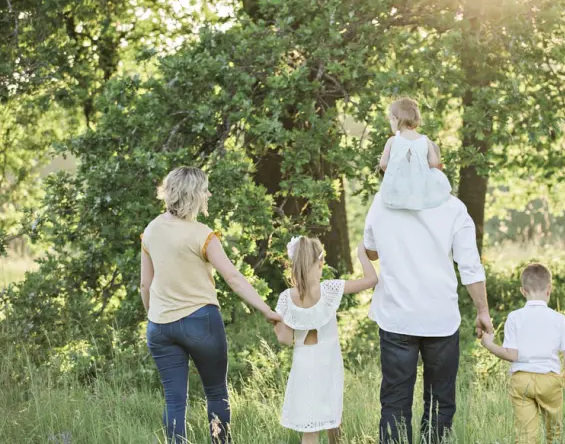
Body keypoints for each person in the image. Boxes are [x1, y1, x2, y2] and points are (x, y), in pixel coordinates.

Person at [363, 140, 492, 444]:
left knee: (395, 402)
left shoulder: (382, 202)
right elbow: (470, 268)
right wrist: (482, 311)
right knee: (439, 401)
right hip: (440, 318)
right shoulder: (453, 208)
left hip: (397, 317)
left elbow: (370, 251)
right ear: (439, 166)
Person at [140, 166, 281, 444]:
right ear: (193, 194)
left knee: (174, 400)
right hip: (200, 322)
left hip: (160, 327)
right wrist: (266, 310)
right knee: (216, 393)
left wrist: (153, 318)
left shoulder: (151, 231)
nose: (209, 194)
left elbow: (145, 284)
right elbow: (233, 278)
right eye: (205, 190)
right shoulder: (202, 234)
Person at [273, 237, 379, 444]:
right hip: (328, 363)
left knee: (310, 430)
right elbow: (371, 280)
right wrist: (361, 255)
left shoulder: (286, 298)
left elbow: (285, 340)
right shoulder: (329, 290)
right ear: (320, 263)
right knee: (332, 417)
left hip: (303, 365)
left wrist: (276, 321)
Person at [480, 263, 565, 444]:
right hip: (550, 380)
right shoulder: (558, 319)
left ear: (523, 291)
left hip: (522, 381)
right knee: (554, 433)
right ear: (549, 289)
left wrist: (489, 345)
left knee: (526, 436)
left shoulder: (514, 317)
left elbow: (511, 355)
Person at [378, 97, 452, 210]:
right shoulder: (425, 140)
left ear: (394, 119)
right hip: (419, 186)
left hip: (399, 184)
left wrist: (394, 172)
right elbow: (433, 162)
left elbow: (383, 164)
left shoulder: (392, 141)